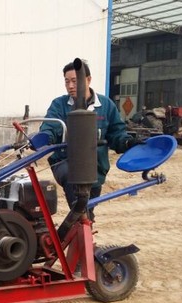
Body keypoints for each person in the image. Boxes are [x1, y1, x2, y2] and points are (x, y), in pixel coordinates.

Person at [32, 60, 143, 221]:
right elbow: (50, 127)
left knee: (86, 213)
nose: (70, 86)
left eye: (74, 81)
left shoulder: (105, 106)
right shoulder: (59, 105)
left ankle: (81, 237)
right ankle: (82, 231)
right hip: (65, 165)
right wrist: (44, 138)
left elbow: (116, 134)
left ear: (88, 80)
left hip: (95, 169)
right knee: (80, 212)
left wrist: (128, 142)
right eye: (67, 81)